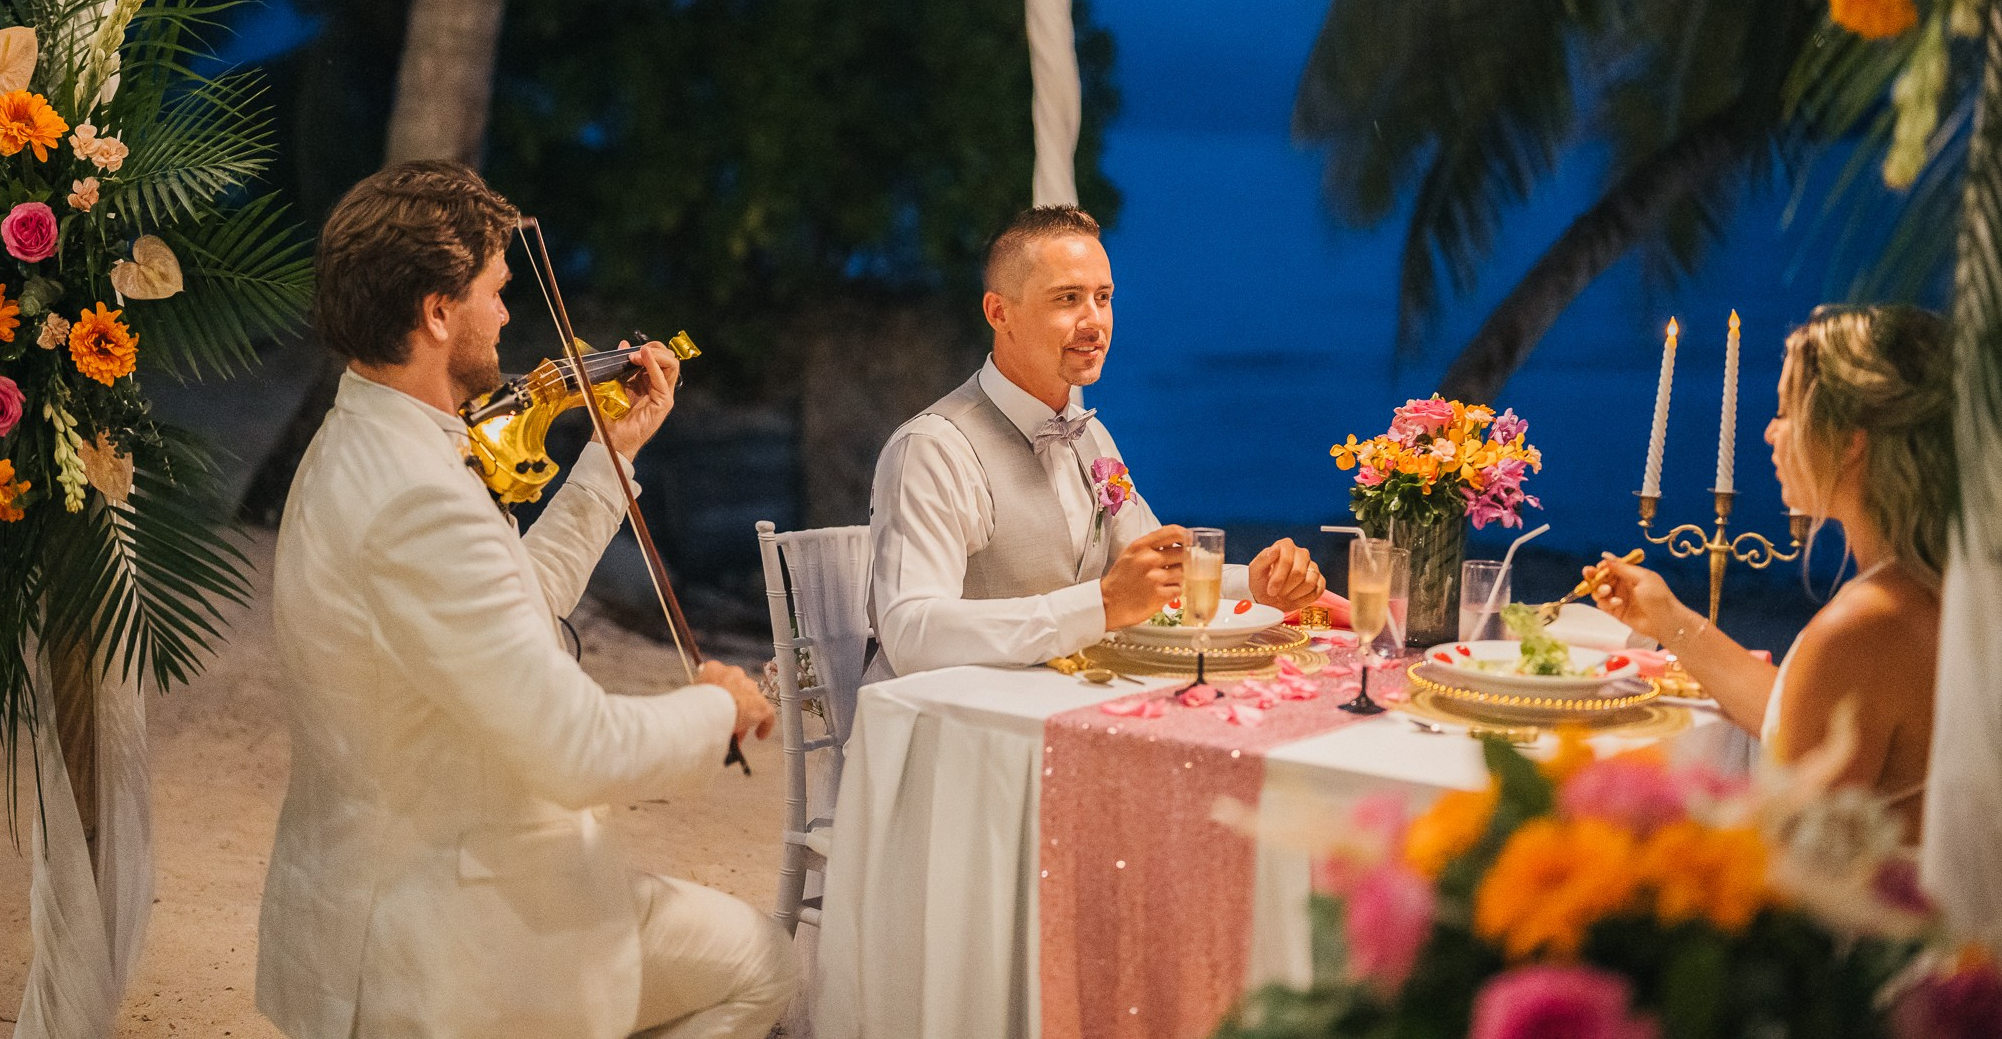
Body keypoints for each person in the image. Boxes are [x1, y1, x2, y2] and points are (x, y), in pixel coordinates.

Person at [255, 162, 796, 1039]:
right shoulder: (417, 494)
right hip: (449, 931)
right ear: (436, 312)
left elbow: (509, 607)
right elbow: (577, 749)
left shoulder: (365, 434)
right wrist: (715, 708)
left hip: (364, 892)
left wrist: (607, 460)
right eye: (496, 292)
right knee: (761, 965)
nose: (509, 316)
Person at [865, 204, 1345, 678]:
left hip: (1053, 714)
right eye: (1067, 299)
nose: (1094, 321)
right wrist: (1100, 605)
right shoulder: (933, 449)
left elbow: (1155, 574)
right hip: (948, 736)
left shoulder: (1089, 433)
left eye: (1104, 297)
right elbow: (910, 633)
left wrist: (1254, 586)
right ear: (999, 312)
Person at [1590, 304, 1952, 836]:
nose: (1769, 433)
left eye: (1785, 413)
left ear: (1851, 440)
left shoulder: (1861, 628)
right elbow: (1796, 714)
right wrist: (1669, 618)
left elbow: (1786, 863)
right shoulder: (1924, 589)